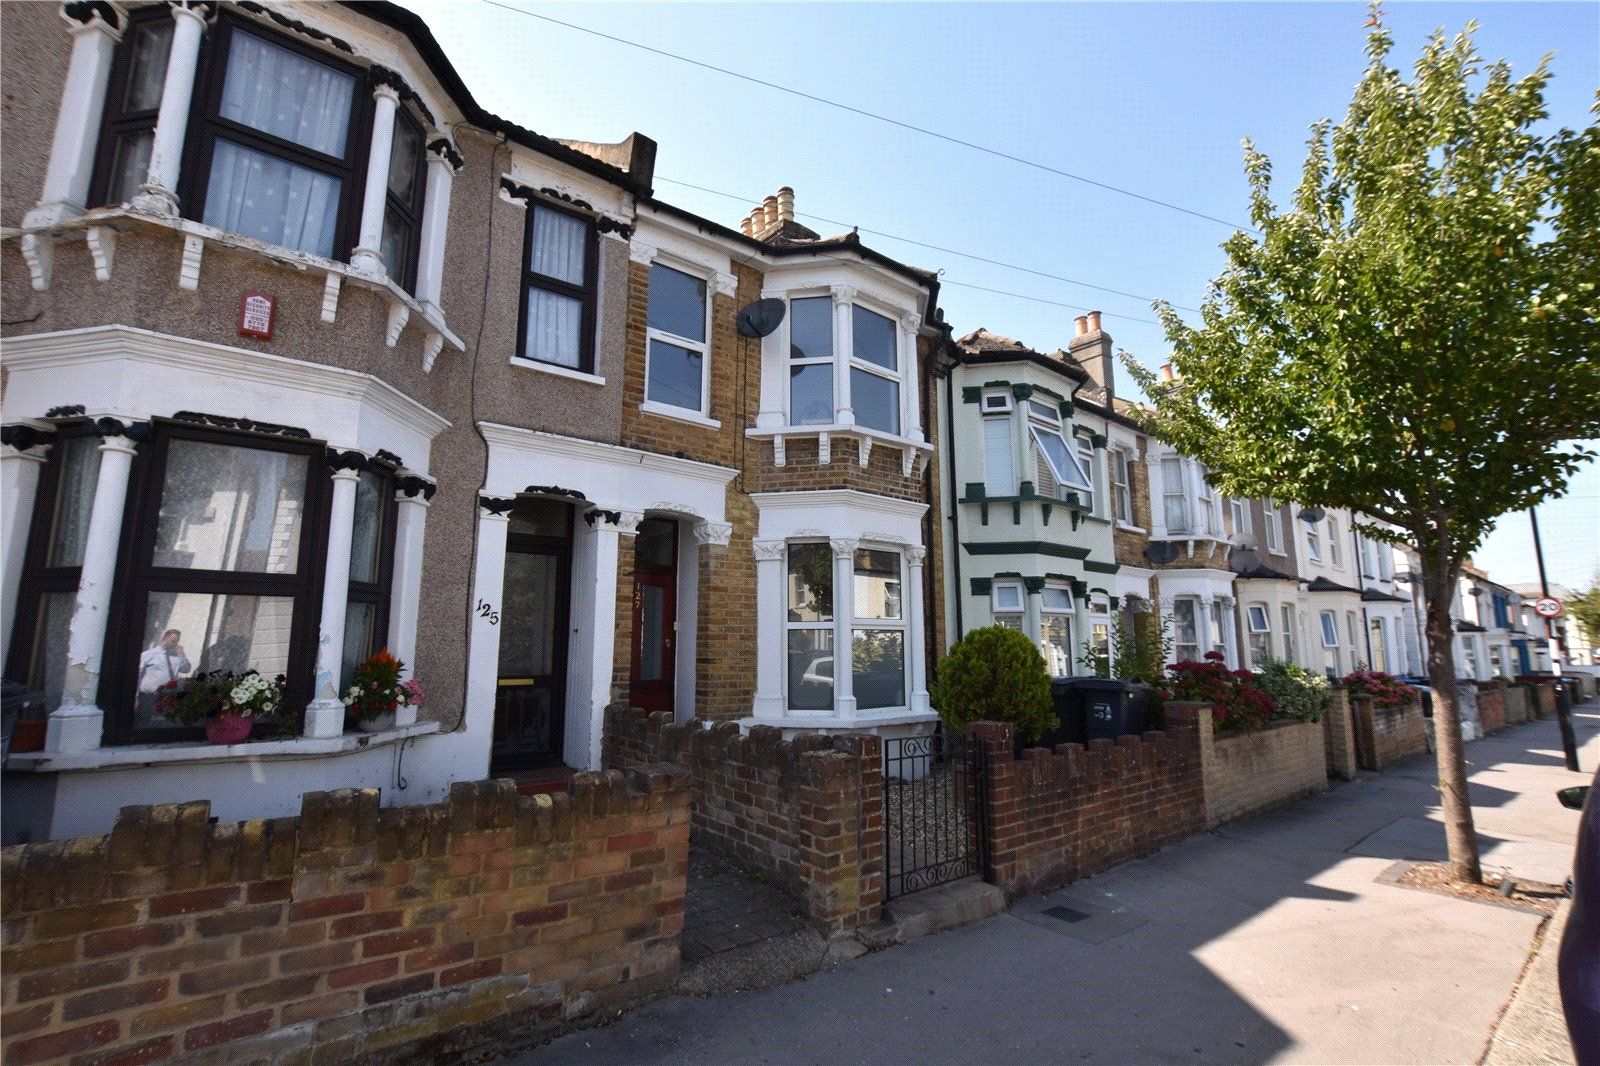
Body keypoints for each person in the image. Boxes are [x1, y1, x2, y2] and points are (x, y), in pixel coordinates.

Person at [136, 630, 191, 720]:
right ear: (164, 638)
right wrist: (135, 698)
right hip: (147, 698)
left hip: (166, 699)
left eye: (177, 641)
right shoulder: (149, 654)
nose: (175, 644)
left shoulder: (176, 657)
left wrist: (181, 654)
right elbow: (137, 676)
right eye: (173, 641)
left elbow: (186, 669)